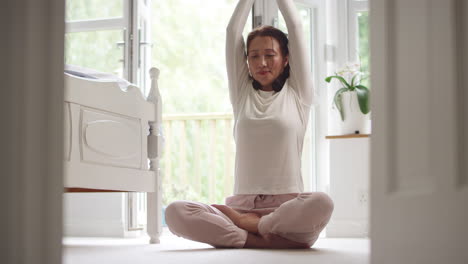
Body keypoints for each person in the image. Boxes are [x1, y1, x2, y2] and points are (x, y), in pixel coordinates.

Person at [165, 0, 334, 249]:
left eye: (270, 55)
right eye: (254, 56)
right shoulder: (242, 94)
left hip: (285, 211)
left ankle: (253, 231)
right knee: (175, 212)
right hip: (241, 208)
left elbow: (296, 27)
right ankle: (263, 239)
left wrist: (250, 222)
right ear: (247, 62)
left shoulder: (298, 93)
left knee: (322, 203)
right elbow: (232, 31)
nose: (262, 63)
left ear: (286, 59)